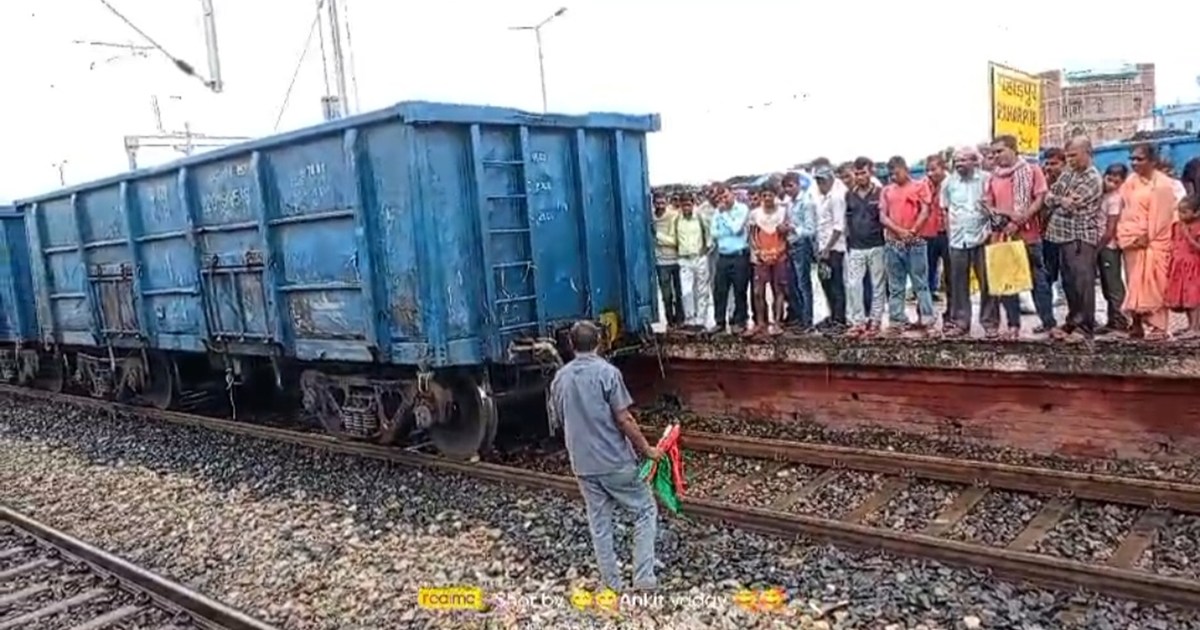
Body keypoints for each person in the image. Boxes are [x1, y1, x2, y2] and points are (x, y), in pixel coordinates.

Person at [548, 321, 661, 592]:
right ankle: (644, 578)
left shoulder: (560, 378)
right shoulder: (608, 373)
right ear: (599, 342)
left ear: (571, 345)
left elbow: (560, 419)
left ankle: (611, 585)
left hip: (583, 464)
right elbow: (624, 418)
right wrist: (647, 450)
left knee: (600, 524)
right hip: (615, 461)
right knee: (645, 510)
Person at [984, 135, 1056, 338]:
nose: (996, 156)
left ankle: (1048, 323)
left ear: (1013, 149)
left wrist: (1021, 218)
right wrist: (1006, 218)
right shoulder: (993, 177)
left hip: (1029, 235)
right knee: (1007, 283)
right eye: (994, 153)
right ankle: (1013, 325)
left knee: (1038, 281)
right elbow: (988, 205)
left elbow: (1039, 198)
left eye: (1000, 151)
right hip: (1003, 236)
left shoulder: (1032, 170)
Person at [1043, 136, 1104, 341]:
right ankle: (1073, 320)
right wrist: (1061, 200)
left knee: (1083, 283)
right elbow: (1049, 198)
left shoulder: (1092, 178)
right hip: (1061, 236)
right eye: (1067, 156)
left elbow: (1072, 205)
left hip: (1080, 237)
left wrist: (1059, 201)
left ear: (1087, 153)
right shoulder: (1068, 173)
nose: (1070, 160)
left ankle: (1086, 326)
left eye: (1074, 155)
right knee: (1068, 282)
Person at [1118, 143, 1177, 341]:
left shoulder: (1162, 185)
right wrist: (1128, 237)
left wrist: (1146, 238)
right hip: (1131, 241)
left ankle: (1158, 327)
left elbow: (1162, 218)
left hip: (1153, 242)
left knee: (1155, 284)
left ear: (1153, 161)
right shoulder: (1130, 182)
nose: (1134, 163)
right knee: (1133, 282)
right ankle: (1136, 325)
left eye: (1139, 159)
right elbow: (1125, 210)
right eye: (1132, 159)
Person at [941, 147, 996, 337]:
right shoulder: (948, 183)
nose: (959, 164)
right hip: (958, 239)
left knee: (987, 283)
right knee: (958, 283)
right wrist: (949, 236)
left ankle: (989, 323)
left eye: (964, 160)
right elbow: (946, 210)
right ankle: (960, 322)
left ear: (975, 161)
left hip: (983, 237)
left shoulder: (987, 179)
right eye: (956, 160)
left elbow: (994, 207)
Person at [880, 156, 935, 334]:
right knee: (896, 285)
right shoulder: (887, 190)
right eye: (890, 174)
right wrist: (900, 232)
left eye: (896, 172)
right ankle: (896, 320)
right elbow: (883, 217)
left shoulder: (920, 186)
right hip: (893, 242)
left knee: (921, 283)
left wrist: (912, 231)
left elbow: (925, 211)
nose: (893, 177)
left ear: (905, 169)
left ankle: (927, 319)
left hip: (916, 242)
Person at [844, 157, 888, 337]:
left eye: (863, 172)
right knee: (854, 285)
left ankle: (875, 321)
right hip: (856, 246)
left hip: (877, 244)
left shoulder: (880, 193)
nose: (860, 176)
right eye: (857, 173)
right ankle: (858, 322)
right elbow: (847, 220)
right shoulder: (849, 195)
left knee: (877, 285)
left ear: (871, 172)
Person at [748, 184, 790, 336]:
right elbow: (752, 235)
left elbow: (786, 233)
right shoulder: (755, 214)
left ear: (775, 196)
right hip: (761, 257)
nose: (767, 198)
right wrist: (758, 252)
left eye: (770, 195)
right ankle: (761, 323)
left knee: (778, 290)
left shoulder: (783, 212)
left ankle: (777, 323)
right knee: (758, 291)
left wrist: (780, 250)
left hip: (779, 255)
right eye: (764, 195)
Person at [709, 184, 752, 334]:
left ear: (732, 194)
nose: (723, 201)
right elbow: (714, 233)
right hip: (722, 255)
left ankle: (740, 321)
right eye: (720, 198)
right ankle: (719, 322)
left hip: (739, 255)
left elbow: (736, 228)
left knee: (740, 289)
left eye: (726, 196)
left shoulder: (742, 209)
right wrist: (724, 223)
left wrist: (725, 216)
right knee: (720, 290)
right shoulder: (717, 211)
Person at [812, 166, 847, 330]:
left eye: (823, 180)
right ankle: (832, 315)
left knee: (836, 285)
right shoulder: (822, 198)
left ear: (830, 180)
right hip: (823, 247)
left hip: (834, 249)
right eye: (818, 181)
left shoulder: (836, 198)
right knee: (826, 283)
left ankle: (839, 319)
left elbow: (838, 227)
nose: (820, 184)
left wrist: (827, 248)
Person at [1097, 164, 1130, 334]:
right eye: (1109, 177)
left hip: (1108, 246)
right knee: (1106, 285)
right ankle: (1112, 321)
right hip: (1101, 245)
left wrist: (1097, 248)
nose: (1112, 182)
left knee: (1113, 285)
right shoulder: (1102, 194)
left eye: (1116, 179)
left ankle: (1120, 321)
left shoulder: (1115, 199)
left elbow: (1110, 230)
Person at [782, 172, 816, 331]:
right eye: (786, 187)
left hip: (802, 245)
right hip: (791, 245)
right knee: (793, 284)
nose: (788, 189)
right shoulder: (788, 203)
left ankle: (807, 320)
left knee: (804, 284)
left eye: (791, 186)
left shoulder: (807, 202)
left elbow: (810, 229)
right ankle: (799, 317)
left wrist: (793, 228)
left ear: (798, 184)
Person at [674, 192, 712, 331]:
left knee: (702, 290)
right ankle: (689, 319)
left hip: (699, 257)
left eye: (688, 205)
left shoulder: (700, 218)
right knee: (686, 291)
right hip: (684, 259)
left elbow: (709, 234)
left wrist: (706, 249)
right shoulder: (678, 219)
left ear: (693, 204)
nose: (686, 208)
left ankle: (701, 319)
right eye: (684, 205)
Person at [1166, 195, 1200, 338]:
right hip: (1179, 266)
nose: (1181, 215)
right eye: (1179, 212)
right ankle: (1189, 326)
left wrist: (1189, 237)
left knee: (1193, 298)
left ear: (1197, 213)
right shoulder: (1176, 226)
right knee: (1184, 297)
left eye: (1185, 212)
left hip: (1193, 266)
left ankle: (1195, 328)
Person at [923, 155, 951, 314]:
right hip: (929, 234)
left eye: (933, 169)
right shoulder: (923, 185)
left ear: (943, 167)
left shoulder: (953, 183)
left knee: (951, 275)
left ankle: (952, 313)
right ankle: (925, 313)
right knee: (926, 273)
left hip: (949, 234)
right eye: (928, 170)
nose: (930, 173)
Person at [1041, 148, 1067, 307]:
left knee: (1070, 273)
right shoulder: (1044, 181)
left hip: (1067, 233)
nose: (1050, 167)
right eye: (1047, 163)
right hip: (1047, 233)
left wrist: (1053, 200)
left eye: (1054, 163)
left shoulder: (1070, 180)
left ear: (1064, 164)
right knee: (1049, 271)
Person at [653, 193, 683, 327]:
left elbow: (676, 240)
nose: (660, 206)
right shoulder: (651, 218)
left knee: (679, 293)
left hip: (676, 260)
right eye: (657, 203)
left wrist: (658, 237)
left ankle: (680, 319)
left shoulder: (674, 216)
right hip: (661, 262)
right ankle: (670, 320)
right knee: (666, 295)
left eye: (662, 203)